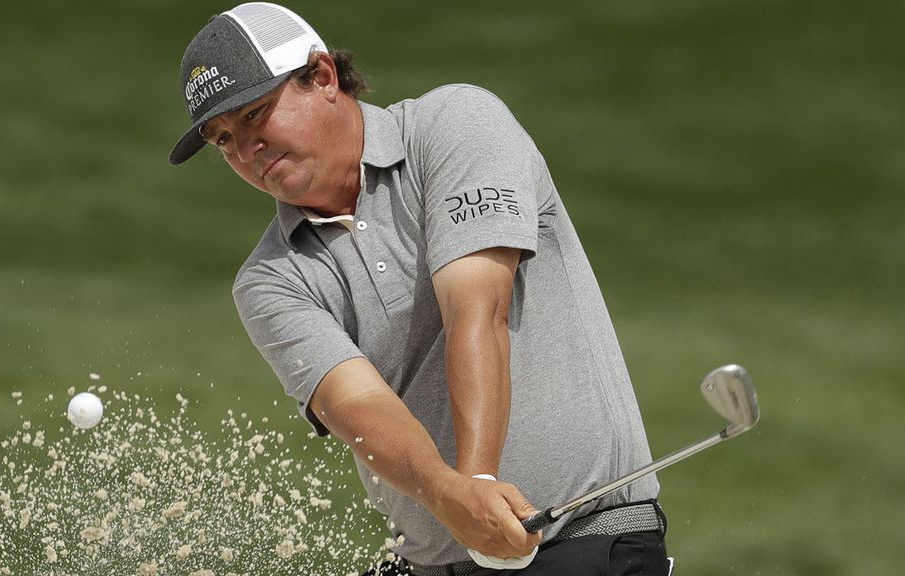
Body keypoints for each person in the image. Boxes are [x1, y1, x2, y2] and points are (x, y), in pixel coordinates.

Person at [167, 3, 670, 575]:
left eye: (256, 114)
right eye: (223, 139)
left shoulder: (456, 125)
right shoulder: (270, 280)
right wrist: (451, 495)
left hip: (586, 543)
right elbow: (357, 404)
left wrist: (477, 480)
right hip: (430, 564)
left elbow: (477, 312)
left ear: (323, 76)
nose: (246, 150)